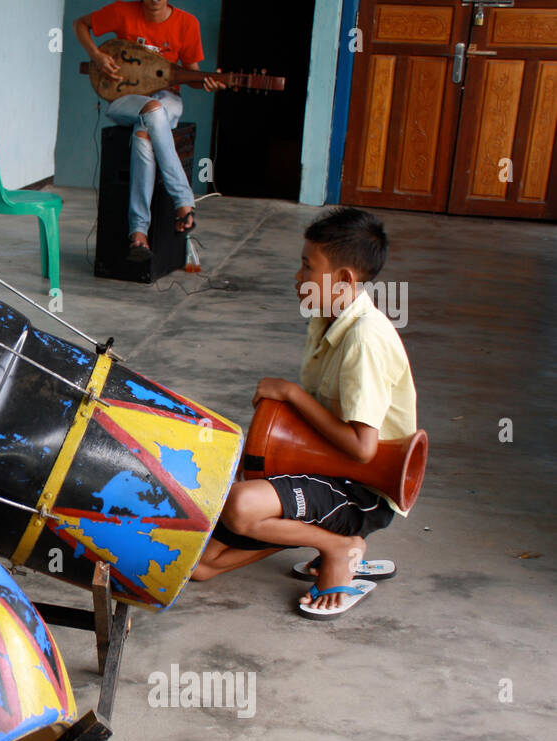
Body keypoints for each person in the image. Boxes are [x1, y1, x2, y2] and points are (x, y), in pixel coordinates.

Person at [191, 208, 418, 619]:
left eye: (307, 266)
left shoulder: (365, 338)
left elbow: (363, 449)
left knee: (241, 505)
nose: (298, 277)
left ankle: (339, 546)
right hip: (323, 472)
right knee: (200, 566)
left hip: (360, 491)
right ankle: (324, 536)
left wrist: (292, 394)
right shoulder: (327, 315)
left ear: (345, 279)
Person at [74, 0, 224, 260]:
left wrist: (207, 83)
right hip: (126, 99)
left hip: (169, 99)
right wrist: (97, 56)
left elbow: (193, 74)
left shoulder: (187, 24)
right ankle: (184, 202)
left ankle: (138, 233)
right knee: (153, 111)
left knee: (144, 137)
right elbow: (80, 24)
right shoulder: (122, 11)